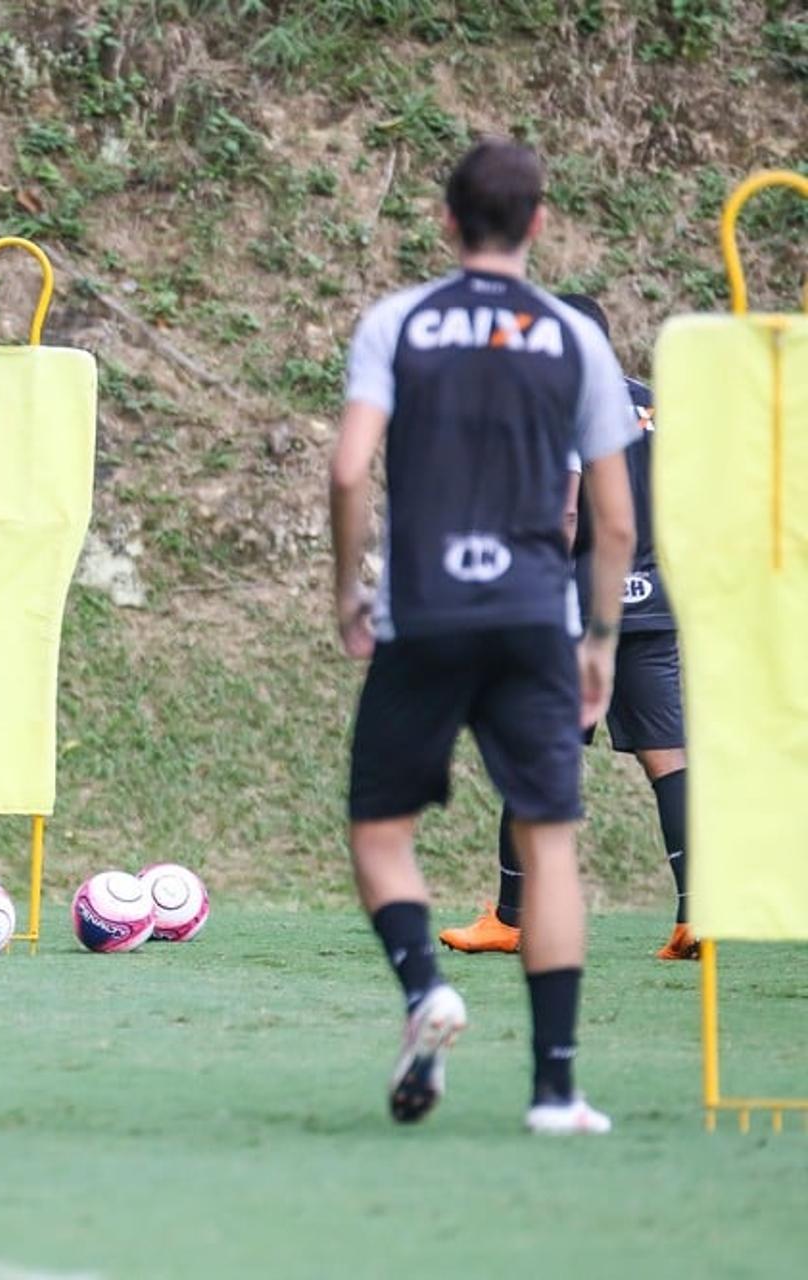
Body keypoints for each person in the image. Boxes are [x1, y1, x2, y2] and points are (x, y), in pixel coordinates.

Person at [330, 139, 636, 1134]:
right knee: (549, 845)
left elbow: (346, 471)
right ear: (540, 223)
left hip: (424, 613)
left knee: (381, 831)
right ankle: (555, 1089)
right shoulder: (575, 338)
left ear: (447, 222)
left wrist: (349, 590)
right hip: (536, 618)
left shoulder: (397, 321)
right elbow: (615, 518)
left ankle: (426, 986)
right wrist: (598, 639)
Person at [441, 293, 694, 962]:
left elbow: (565, 514)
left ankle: (512, 918)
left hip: (577, 608)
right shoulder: (652, 404)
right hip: (650, 602)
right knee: (668, 756)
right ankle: (697, 914)